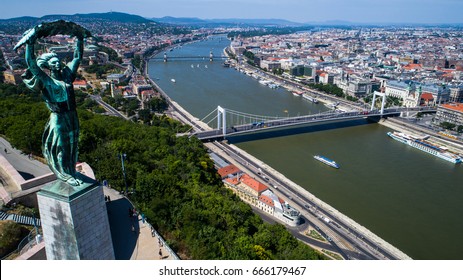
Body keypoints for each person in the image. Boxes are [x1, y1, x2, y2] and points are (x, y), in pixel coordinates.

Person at [14, 21, 91, 187]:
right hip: (58, 117)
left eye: (58, 61)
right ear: (48, 66)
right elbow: (32, 64)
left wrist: (79, 38)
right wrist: (30, 43)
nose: (57, 63)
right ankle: (65, 174)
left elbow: (77, 57)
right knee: (61, 145)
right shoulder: (46, 80)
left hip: (72, 115)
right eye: (53, 62)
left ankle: (71, 170)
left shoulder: (67, 76)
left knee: (72, 145)